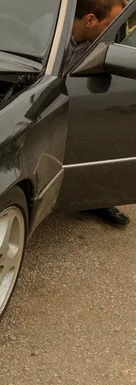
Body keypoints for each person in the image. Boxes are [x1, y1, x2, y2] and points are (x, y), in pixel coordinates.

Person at [67, 0, 130, 227]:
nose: (113, 34)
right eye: (110, 25)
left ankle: (97, 198)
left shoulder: (96, 45)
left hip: (82, 108)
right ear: (90, 20)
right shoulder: (49, 37)